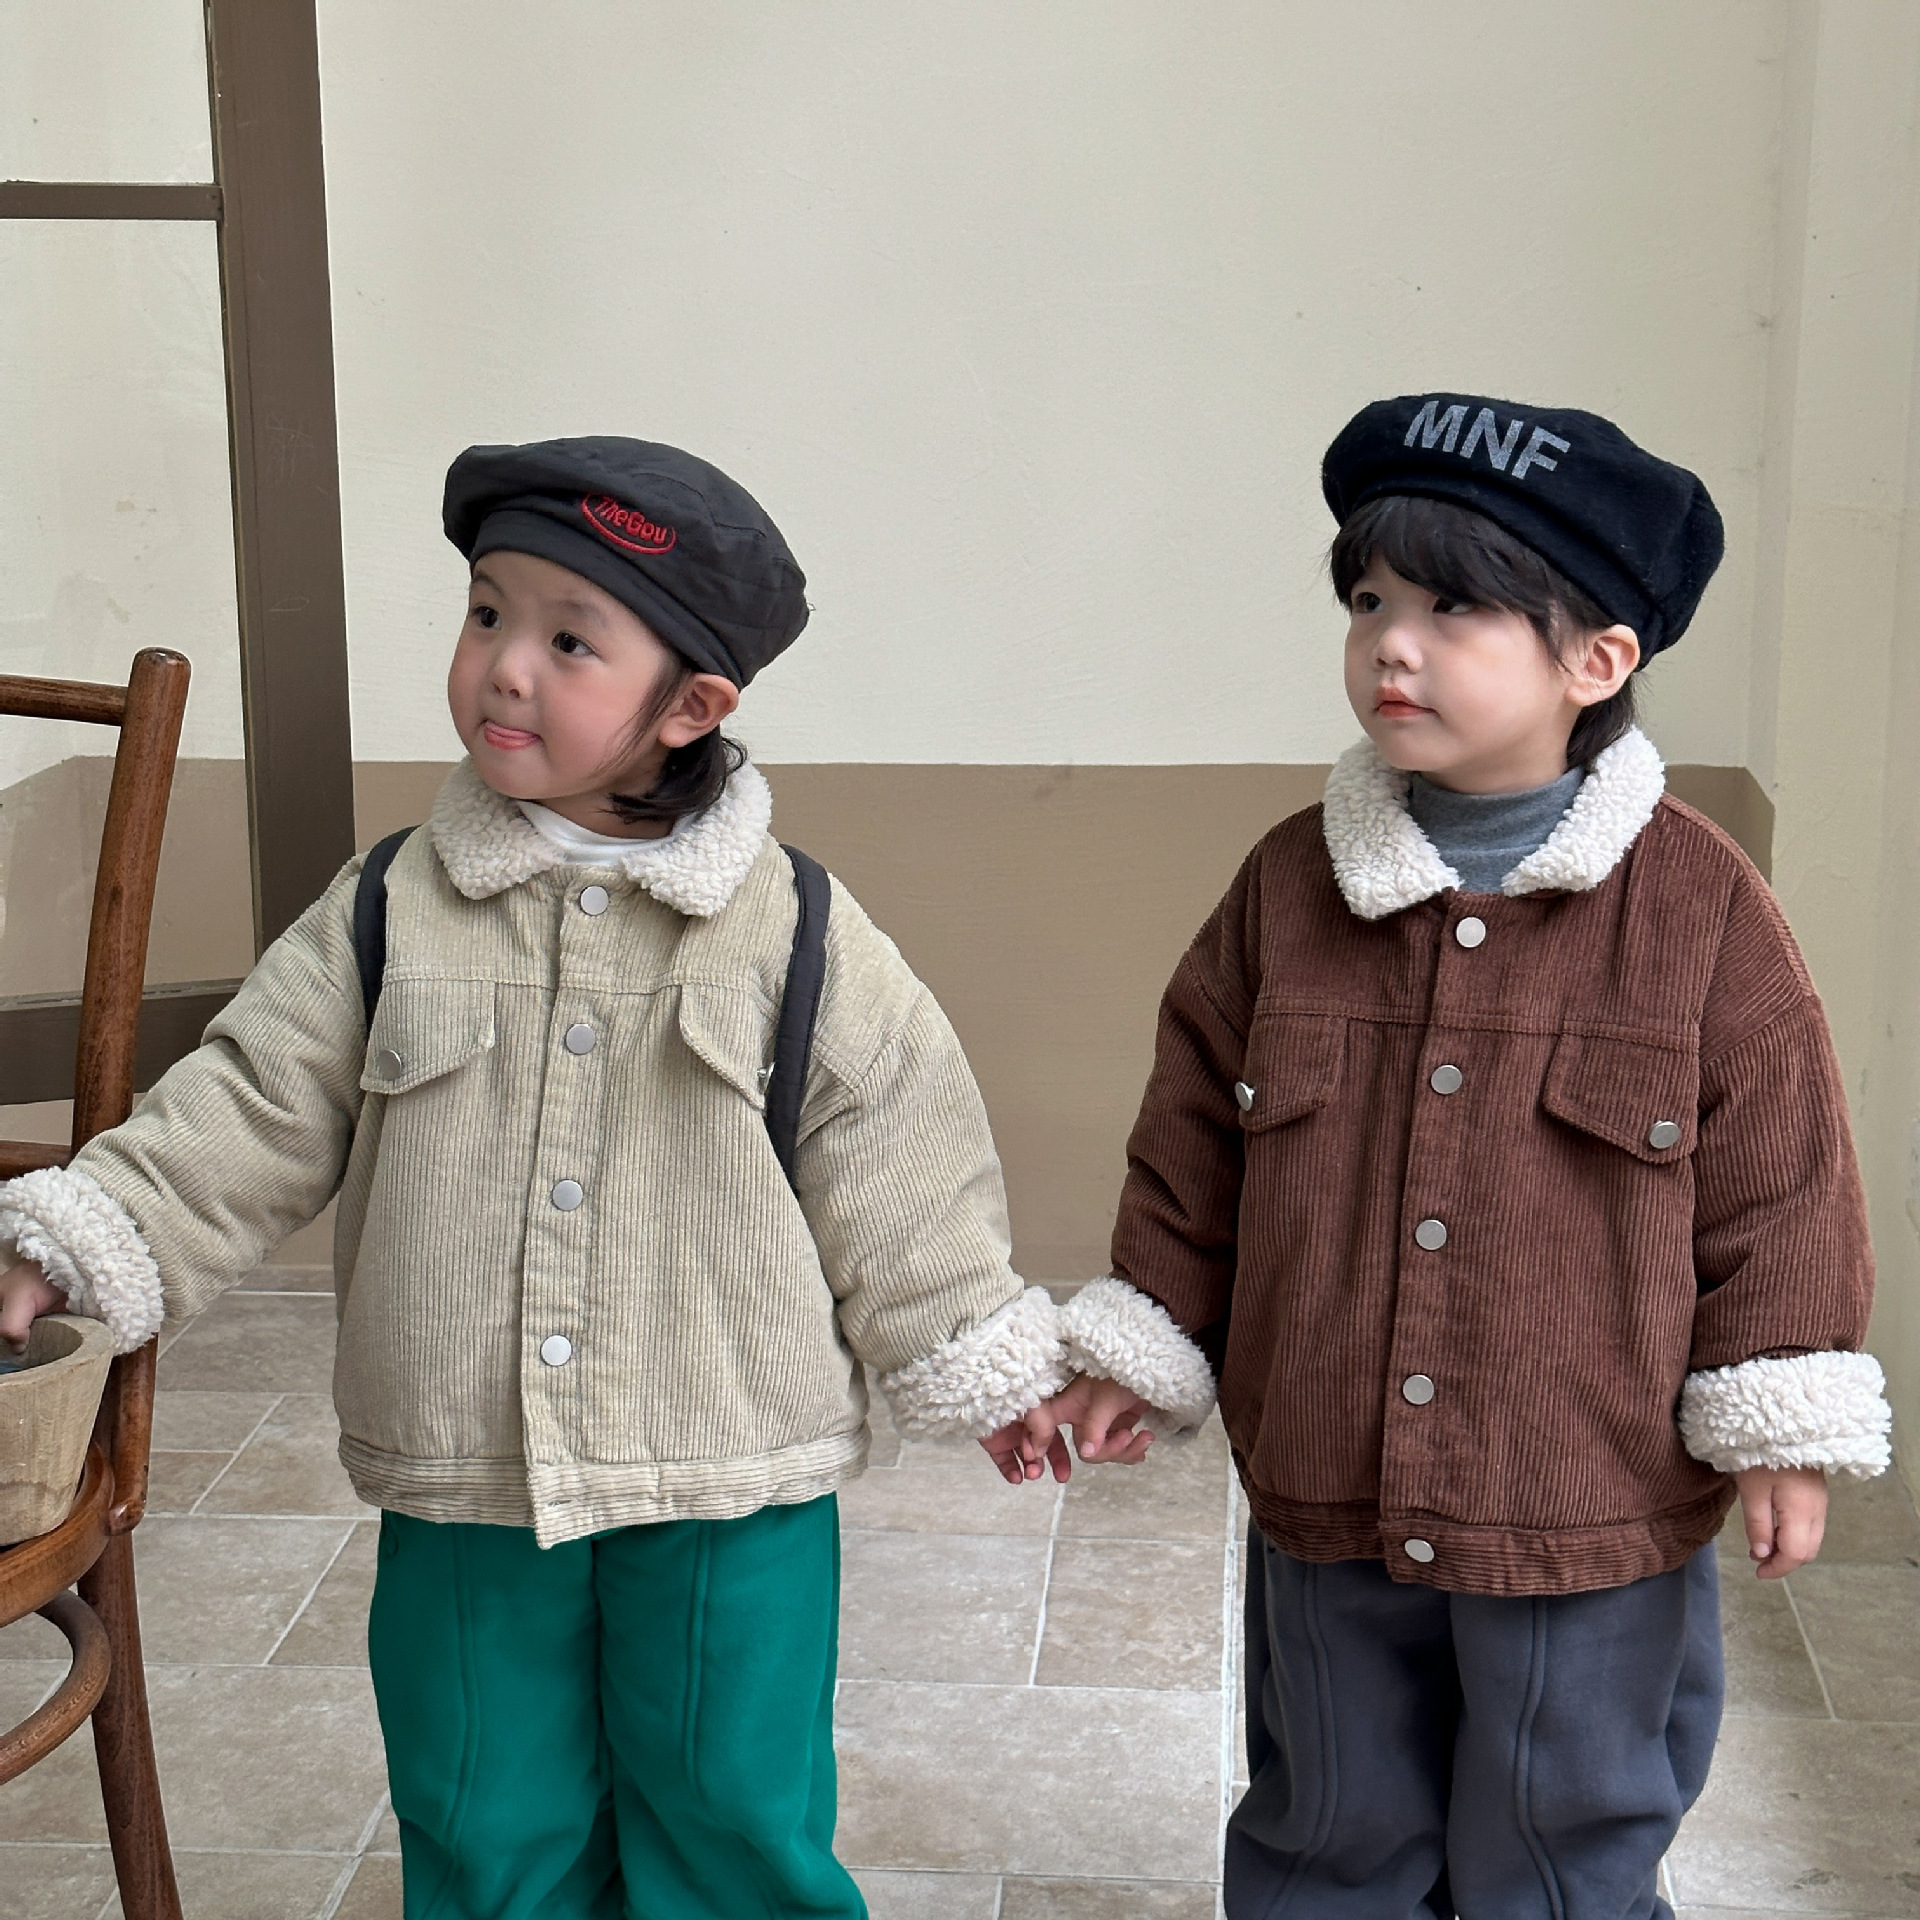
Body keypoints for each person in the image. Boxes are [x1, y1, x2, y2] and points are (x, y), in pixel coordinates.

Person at [0, 438, 1071, 1920]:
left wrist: (978, 1359)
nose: (505, 665)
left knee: (735, 1818)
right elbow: (250, 1104)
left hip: (727, 1470)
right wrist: (78, 1238)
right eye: (488, 613)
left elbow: (899, 1160)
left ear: (692, 706)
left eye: (571, 641)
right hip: (464, 1469)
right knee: (483, 1817)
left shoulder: (796, 930)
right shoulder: (388, 907)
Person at [1016, 395, 1892, 1918]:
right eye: (1368, 603)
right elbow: (1192, 1141)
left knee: (1564, 1835)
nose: (1391, 647)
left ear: (1596, 661)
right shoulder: (1288, 886)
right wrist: (1147, 1333)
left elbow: (1785, 1184)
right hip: (1327, 1475)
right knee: (1328, 1827)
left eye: (1453, 609)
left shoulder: (1703, 911)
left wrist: (1781, 1422)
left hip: (1586, 1491)